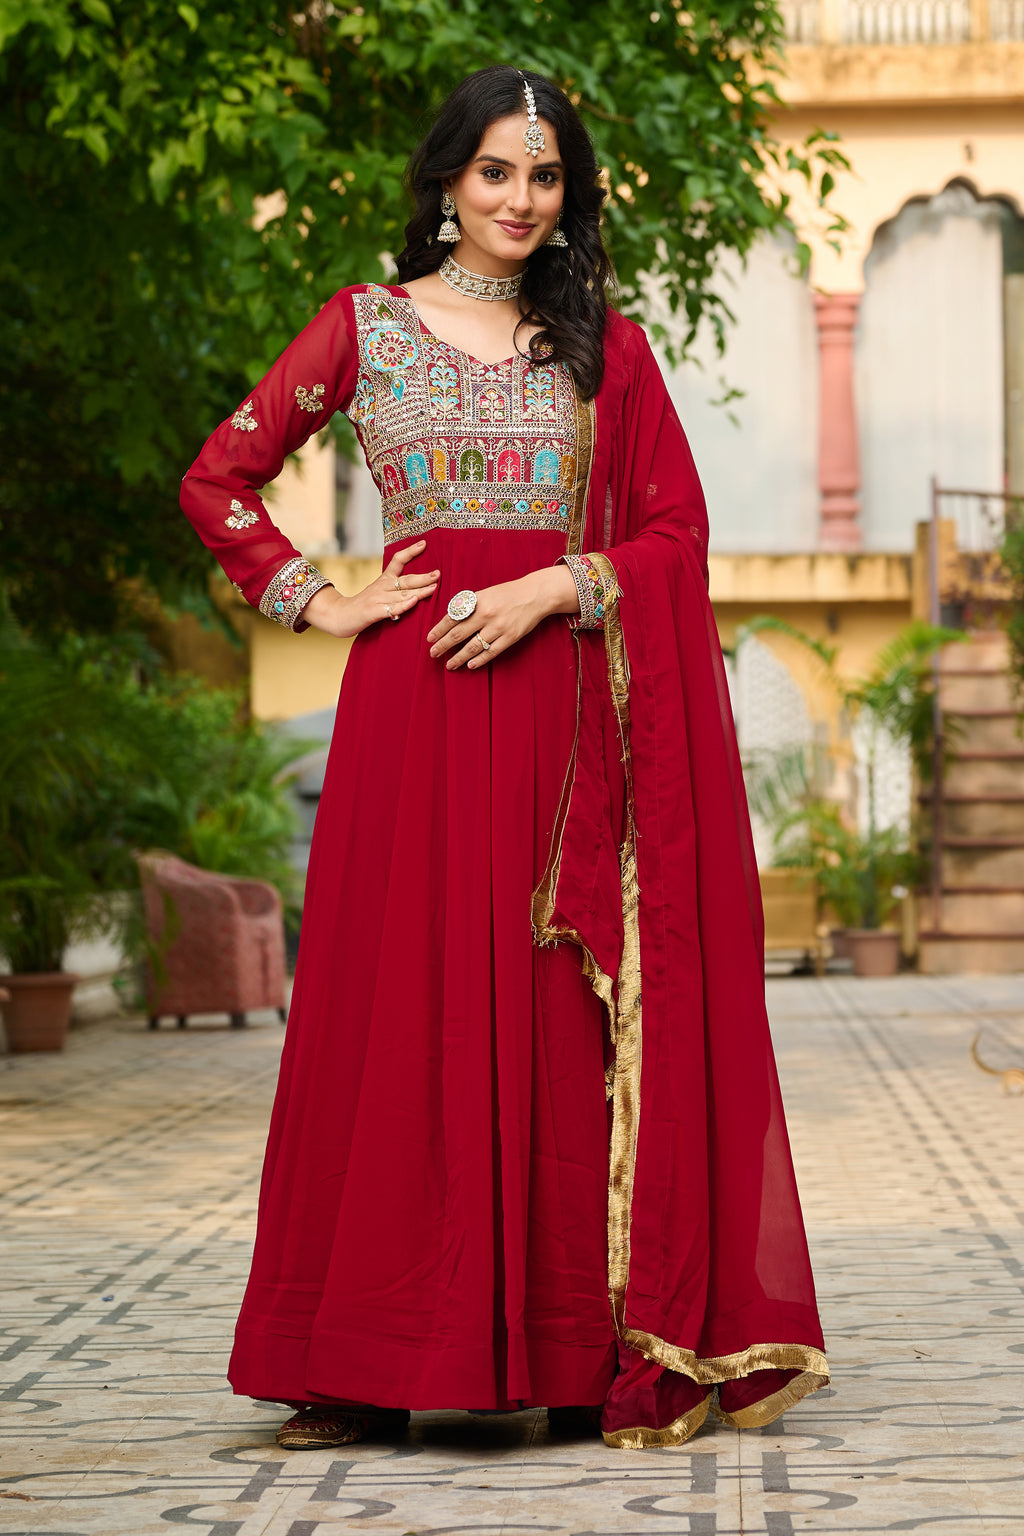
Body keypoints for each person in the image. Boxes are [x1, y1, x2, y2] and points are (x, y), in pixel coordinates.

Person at [180, 64, 829, 1452]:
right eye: (495, 174)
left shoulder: (609, 350)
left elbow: (672, 542)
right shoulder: (362, 325)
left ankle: (565, 1353)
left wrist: (554, 589)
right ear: (447, 185)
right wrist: (319, 595)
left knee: (551, 1020)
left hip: (561, 731)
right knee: (399, 1010)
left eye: (545, 178)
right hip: (408, 727)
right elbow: (215, 478)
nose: (522, 201)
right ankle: (358, 1354)